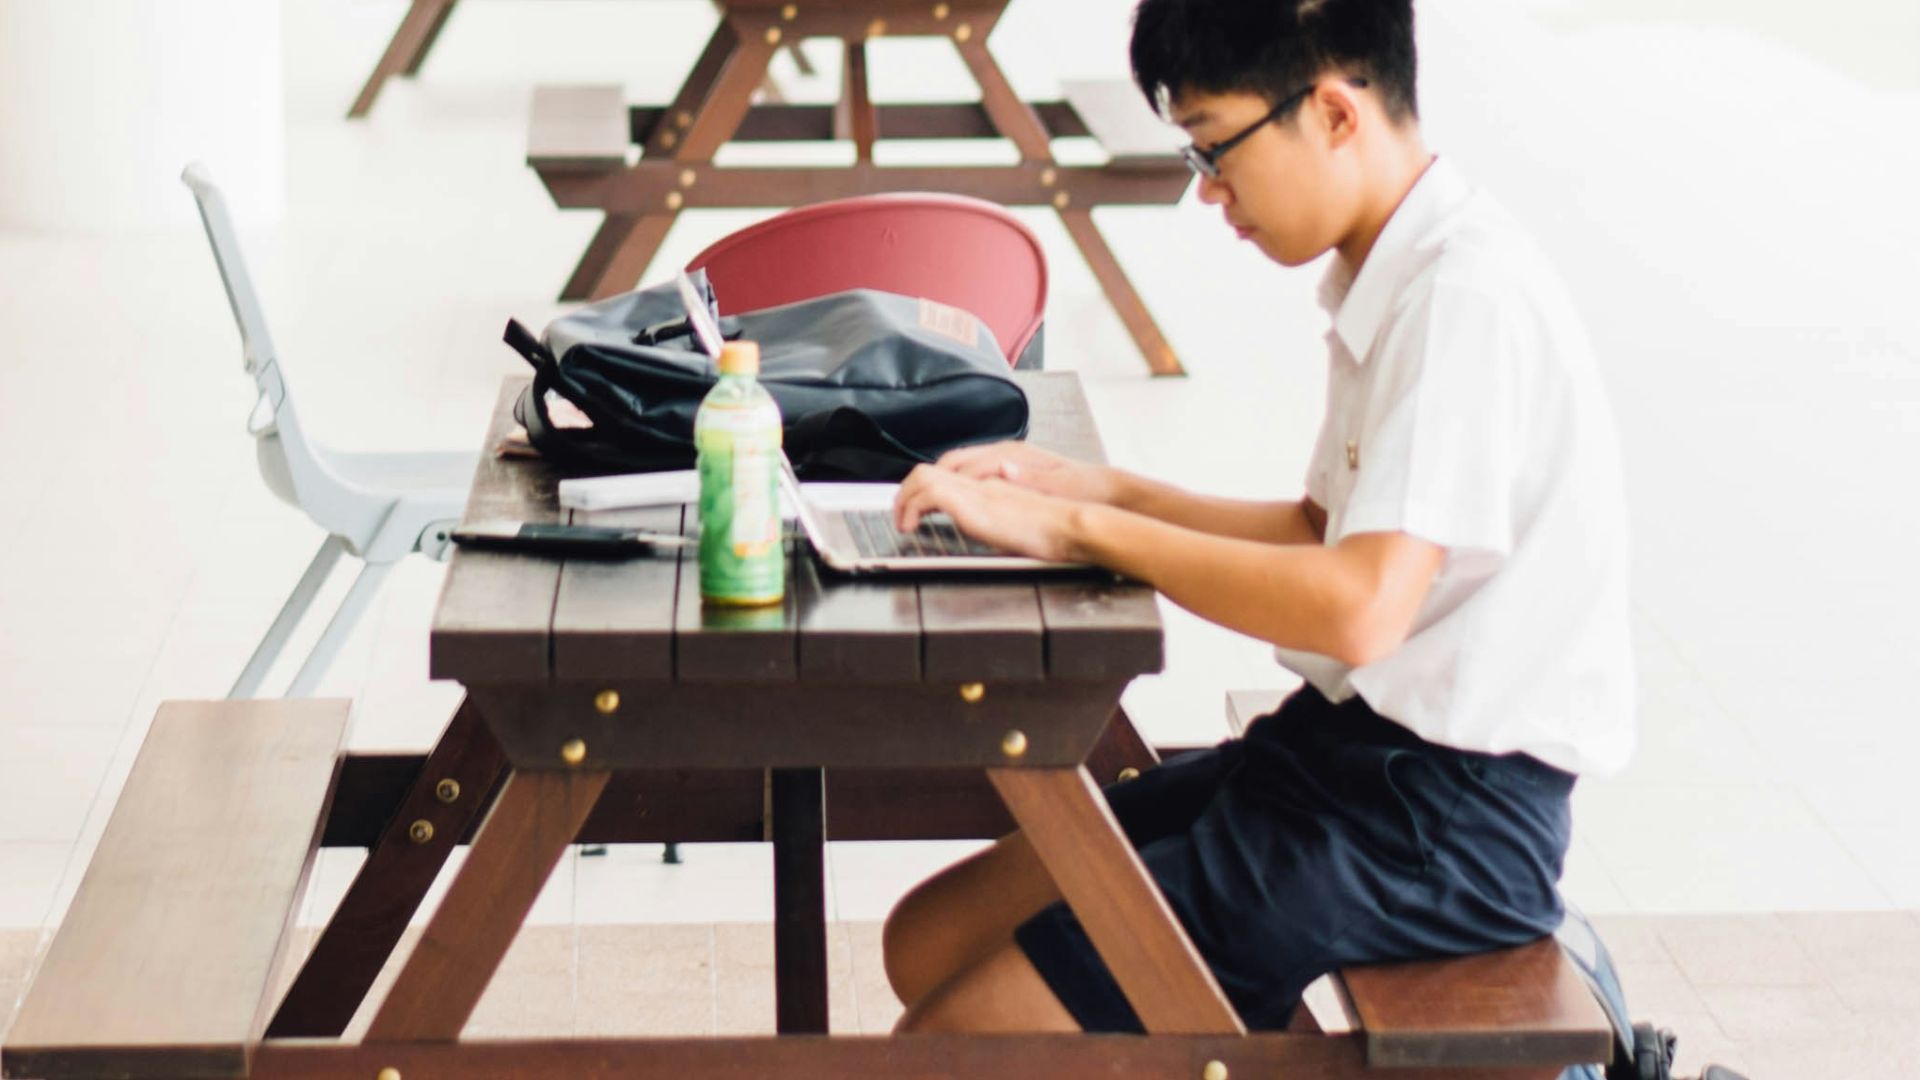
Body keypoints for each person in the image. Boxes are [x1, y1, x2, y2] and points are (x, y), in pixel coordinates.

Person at [881, 0, 1637, 1038]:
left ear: (1333, 111)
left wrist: (1080, 537)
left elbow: (1359, 610)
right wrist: (1097, 490)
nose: (1212, 196)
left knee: (949, 1044)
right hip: (1346, 759)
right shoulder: (1394, 272)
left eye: (1215, 150)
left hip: (1434, 828)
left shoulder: (1464, 302)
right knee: (926, 939)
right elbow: (1317, 534)